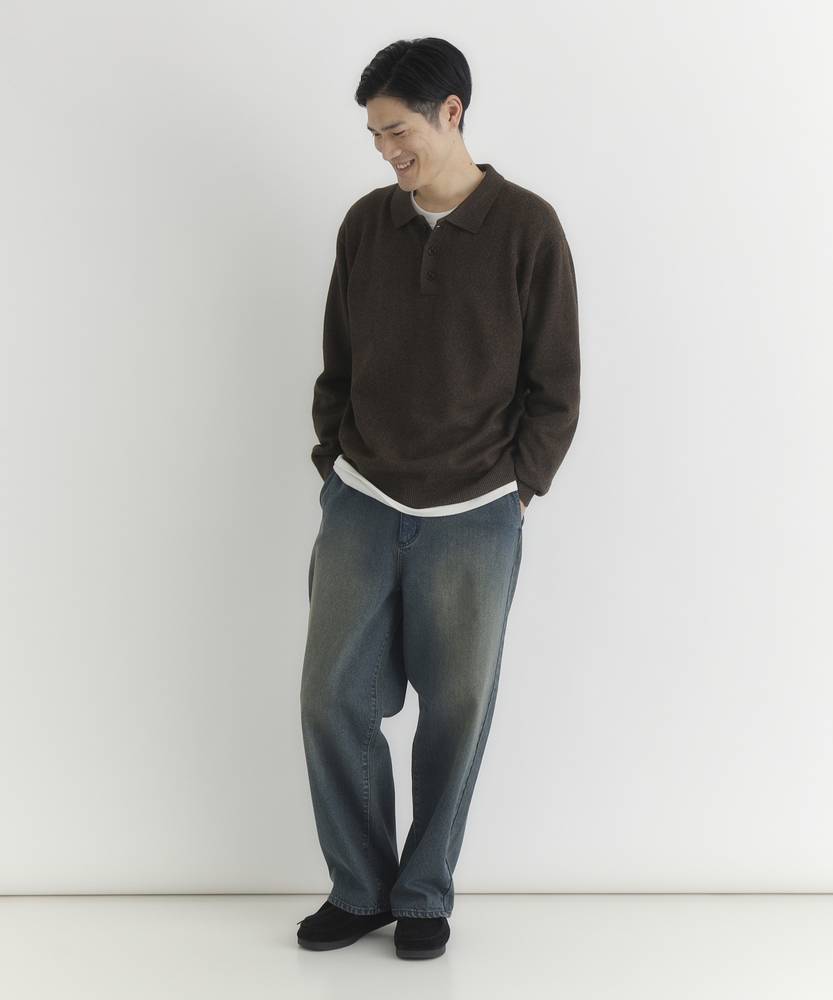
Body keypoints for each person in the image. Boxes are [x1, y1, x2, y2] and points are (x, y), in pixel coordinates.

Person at [297, 37, 579, 960]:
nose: (386, 151)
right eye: (375, 137)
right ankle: (360, 889)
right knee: (331, 700)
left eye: (398, 131)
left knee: (455, 713)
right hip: (361, 500)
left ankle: (422, 895)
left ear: (451, 112)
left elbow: (555, 386)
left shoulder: (527, 228)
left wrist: (518, 490)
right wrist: (333, 464)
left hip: (475, 514)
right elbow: (338, 362)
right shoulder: (365, 225)